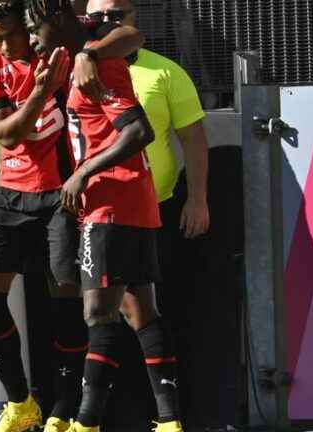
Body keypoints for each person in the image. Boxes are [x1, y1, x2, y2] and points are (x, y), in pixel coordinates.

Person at [0, 1, 144, 431]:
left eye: (11, 35)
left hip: (63, 195)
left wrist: (89, 53)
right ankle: (19, 402)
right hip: (11, 191)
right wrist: (41, 95)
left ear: (27, 24)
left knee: (66, 304)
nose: (5, 46)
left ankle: (63, 413)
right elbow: (7, 132)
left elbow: (133, 35)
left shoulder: (57, 40)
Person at [24, 0, 183, 431]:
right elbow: (126, 34)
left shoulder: (100, 63)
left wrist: (83, 173)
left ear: (55, 21)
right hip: (130, 200)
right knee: (140, 309)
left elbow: (139, 131)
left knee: (97, 311)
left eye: (35, 29)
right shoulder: (83, 45)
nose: (33, 40)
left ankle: (86, 422)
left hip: (111, 201)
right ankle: (169, 421)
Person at [85, 0, 210, 426]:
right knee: (102, 312)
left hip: (154, 211)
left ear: (133, 17)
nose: (106, 22)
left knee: (144, 311)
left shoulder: (164, 72)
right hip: (95, 212)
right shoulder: (76, 64)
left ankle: (163, 417)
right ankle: (96, 417)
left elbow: (193, 139)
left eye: (116, 14)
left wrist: (198, 199)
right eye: (97, 14)